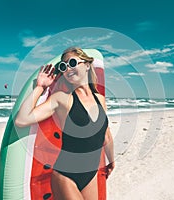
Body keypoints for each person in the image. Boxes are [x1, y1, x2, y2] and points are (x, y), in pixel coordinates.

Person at [15, 47, 115, 200]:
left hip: (91, 175)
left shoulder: (100, 99)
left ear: (87, 65)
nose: (68, 68)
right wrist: (40, 87)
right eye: (63, 66)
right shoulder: (62, 99)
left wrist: (111, 160)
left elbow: (106, 135)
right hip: (66, 176)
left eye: (72, 62)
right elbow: (22, 120)